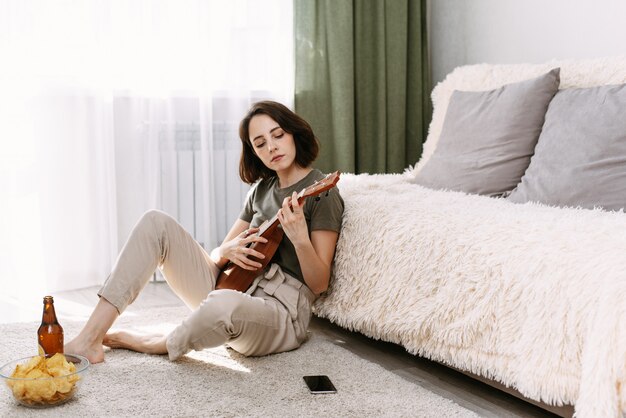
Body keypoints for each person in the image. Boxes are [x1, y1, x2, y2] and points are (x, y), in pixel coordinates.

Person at [65, 101, 344, 364]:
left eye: (278, 135)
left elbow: (319, 285)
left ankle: (159, 343)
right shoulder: (260, 191)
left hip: (280, 313)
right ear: (254, 152)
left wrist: (299, 239)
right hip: (233, 285)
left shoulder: (322, 194)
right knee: (155, 222)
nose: (271, 147)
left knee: (223, 305)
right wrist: (224, 251)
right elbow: (217, 259)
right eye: (260, 143)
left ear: (294, 134)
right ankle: (89, 338)